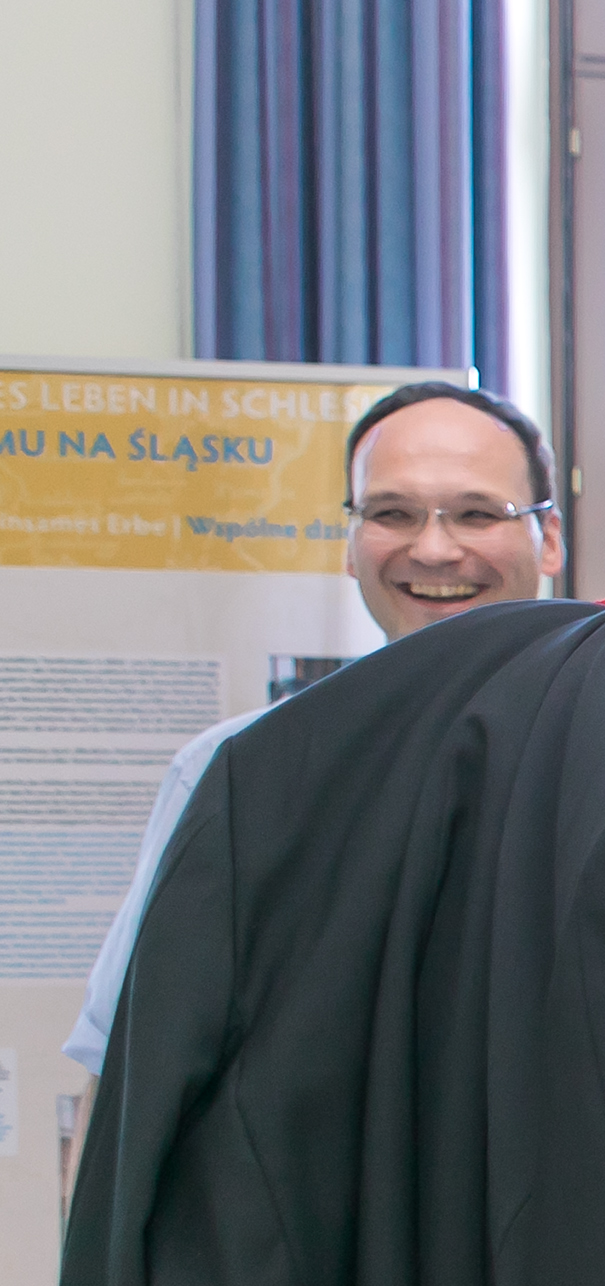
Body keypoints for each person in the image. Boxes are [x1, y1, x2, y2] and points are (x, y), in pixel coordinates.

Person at [63, 379, 563, 1074]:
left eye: (477, 514)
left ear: (549, 540)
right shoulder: (237, 769)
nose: (434, 549)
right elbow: (126, 1058)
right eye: (392, 513)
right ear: (349, 543)